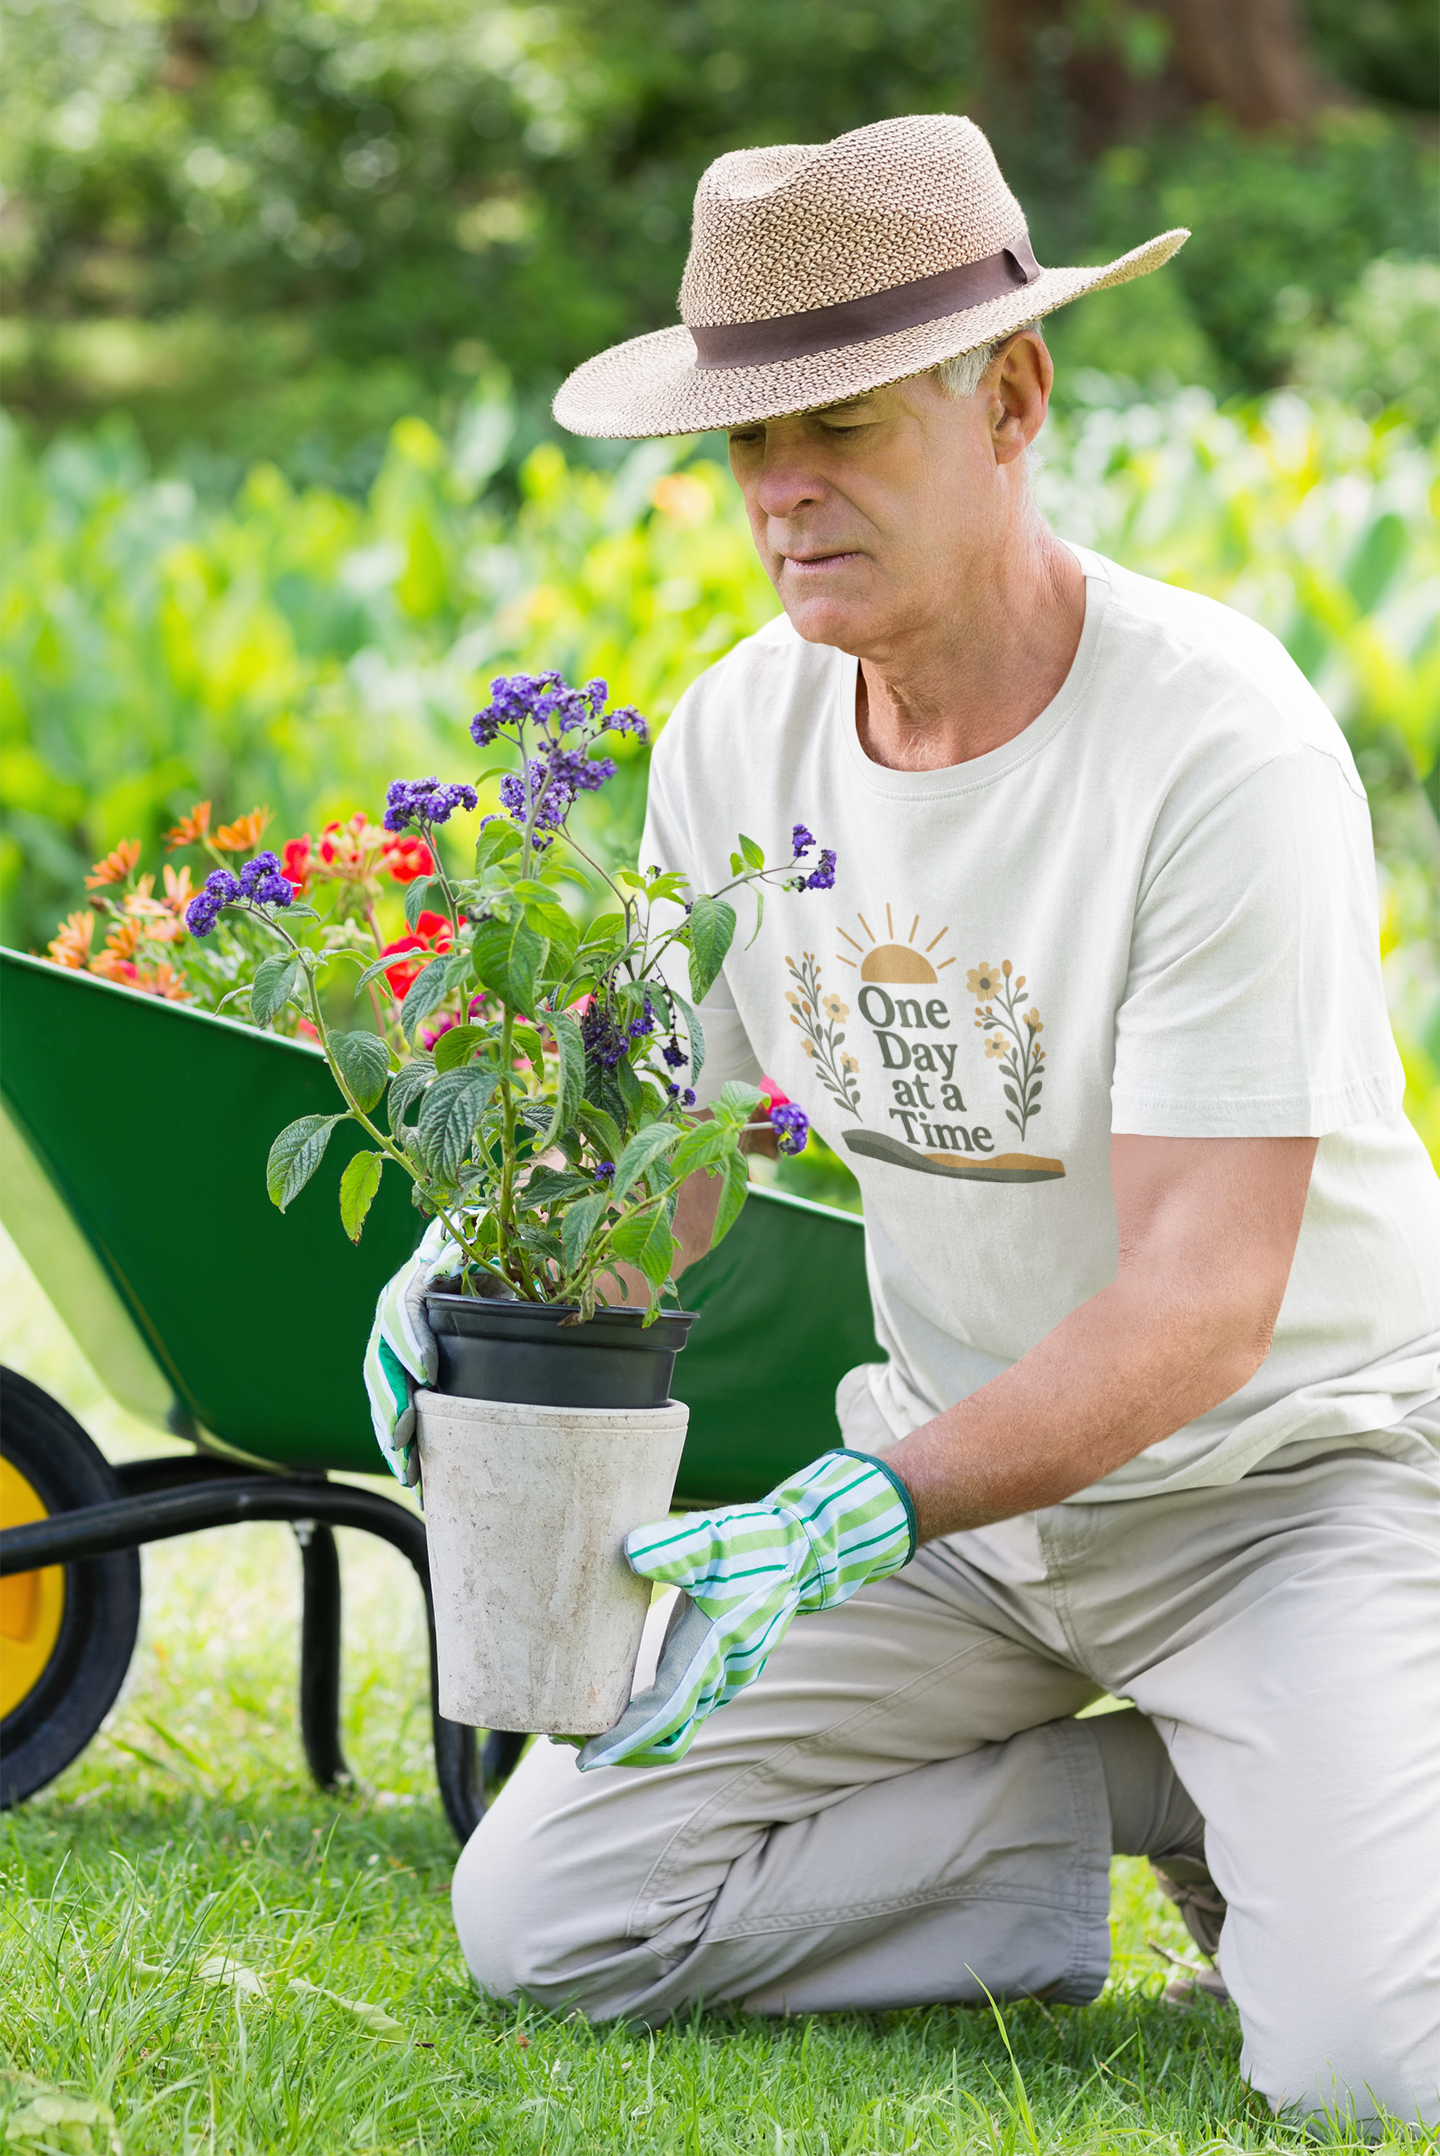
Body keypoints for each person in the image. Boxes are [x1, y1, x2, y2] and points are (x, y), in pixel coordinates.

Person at [448, 114, 1440, 2131]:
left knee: (1368, 2068)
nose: (780, 495)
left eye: (842, 426)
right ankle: (1147, 1786)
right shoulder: (740, 730)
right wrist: (494, 1298)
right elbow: (676, 1163)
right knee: (544, 1921)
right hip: (958, 1510)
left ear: (1013, 397)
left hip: (1278, 1492)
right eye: (746, 443)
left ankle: (1295, 1752)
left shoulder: (1215, 745)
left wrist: (873, 1505)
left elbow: (1201, 1308)